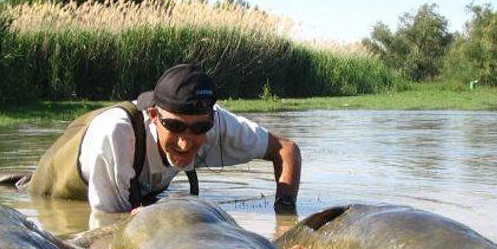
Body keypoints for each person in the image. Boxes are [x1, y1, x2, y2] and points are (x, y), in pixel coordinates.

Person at [29, 64, 301, 220]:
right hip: (60, 191)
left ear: (210, 119)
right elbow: (107, 227)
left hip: (135, 189)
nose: (186, 143)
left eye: (200, 128)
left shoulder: (217, 123)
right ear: (153, 115)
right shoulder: (116, 135)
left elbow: (286, 149)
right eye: (174, 126)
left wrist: (285, 213)